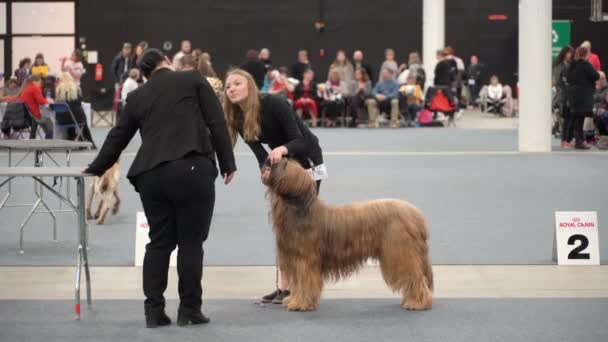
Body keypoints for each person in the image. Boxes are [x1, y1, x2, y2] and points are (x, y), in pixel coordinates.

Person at [84, 48, 237, 328]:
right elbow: (217, 122)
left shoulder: (137, 96)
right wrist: (228, 163)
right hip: (192, 168)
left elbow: (118, 137)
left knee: (159, 243)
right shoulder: (192, 79)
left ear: (144, 72)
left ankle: (154, 312)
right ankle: (189, 310)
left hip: (151, 175)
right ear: (167, 61)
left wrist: (95, 167)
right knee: (191, 243)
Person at [223, 68, 324, 305]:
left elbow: (299, 140)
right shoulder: (237, 115)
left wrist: (281, 149)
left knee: (300, 226)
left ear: (250, 86)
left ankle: (305, 285)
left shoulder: (274, 104)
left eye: (237, 83)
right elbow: (259, 152)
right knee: (283, 225)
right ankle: (284, 288)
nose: (232, 89)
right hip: (283, 165)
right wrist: (264, 168)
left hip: (305, 159)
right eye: (228, 87)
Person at [565, 47, 600, 149]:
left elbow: (568, 78)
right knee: (579, 120)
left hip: (573, 96)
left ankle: (573, 140)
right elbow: (596, 76)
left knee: (575, 118)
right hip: (583, 96)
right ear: (585, 55)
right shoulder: (586, 65)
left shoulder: (571, 65)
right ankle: (579, 142)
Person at [55, 72, 96, 147]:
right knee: (83, 121)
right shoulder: (76, 88)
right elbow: (79, 102)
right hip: (76, 118)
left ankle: (71, 138)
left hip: (61, 119)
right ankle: (90, 141)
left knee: (71, 117)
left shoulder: (58, 90)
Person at [553, 46, 574, 142]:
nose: (570, 55)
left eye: (571, 53)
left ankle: (568, 138)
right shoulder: (558, 66)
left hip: (572, 94)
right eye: (568, 53)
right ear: (564, 53)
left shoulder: (573, 65)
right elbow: (557, 81)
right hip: (561, 94)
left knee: (571, 117)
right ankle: (564, 138)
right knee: (564, 117)